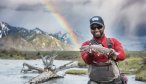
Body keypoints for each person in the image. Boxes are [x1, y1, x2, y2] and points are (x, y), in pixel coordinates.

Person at [80, 16, 126, 84]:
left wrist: (114, 54)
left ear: (104, 27)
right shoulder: (85, 44)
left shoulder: (113, 41)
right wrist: (90, 55)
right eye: (93, 27)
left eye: (99, 26)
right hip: (95, 81)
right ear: (90, 29)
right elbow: (87, 61)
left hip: (114, 81)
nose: (96, 29)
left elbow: (122, 56)